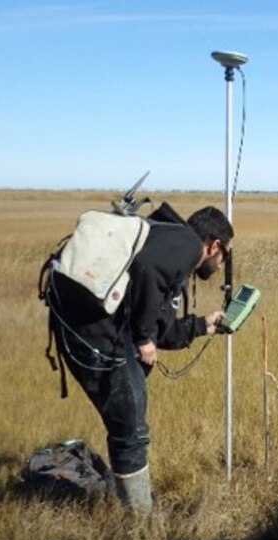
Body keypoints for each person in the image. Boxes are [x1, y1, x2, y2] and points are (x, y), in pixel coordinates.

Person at [47, 204, 234, 518]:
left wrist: (203, 325)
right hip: (95, 335)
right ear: (214, 246)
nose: (220, 264)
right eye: (224, 255)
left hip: (84, 330)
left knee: (128, 420)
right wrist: (144, 338)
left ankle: (135, 508)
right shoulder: (188, 245)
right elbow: (147, 271)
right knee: (130, 423)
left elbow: (160, 324)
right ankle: (139, 522)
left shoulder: (168, 244)